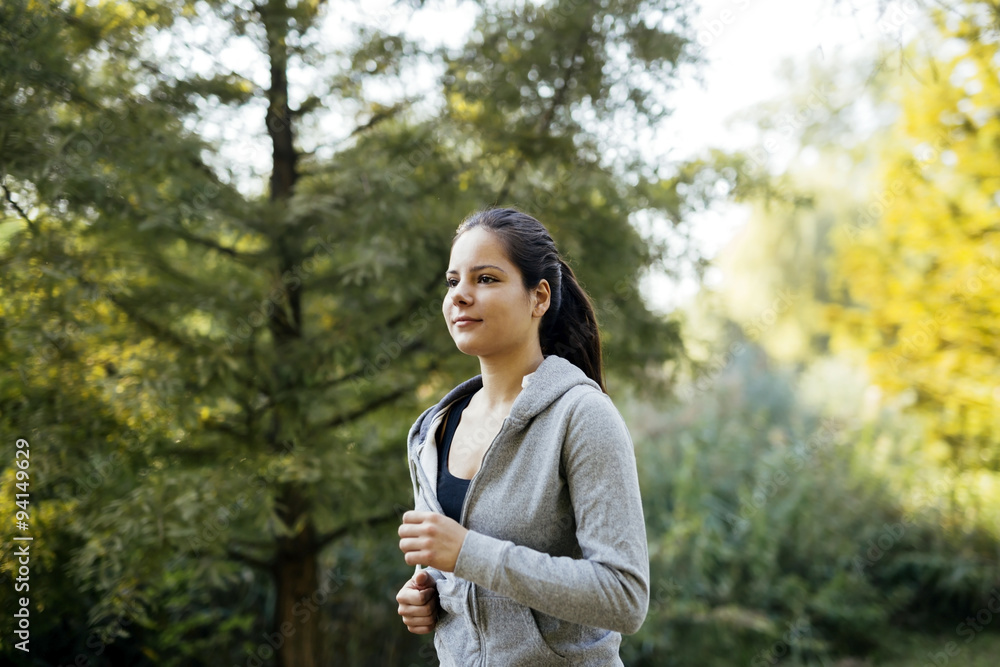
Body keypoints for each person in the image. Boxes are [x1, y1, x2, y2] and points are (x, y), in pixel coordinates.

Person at [395, 207, 649, 666]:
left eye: (486, 279)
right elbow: (460, 572)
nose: (460, 295)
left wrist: (468, 553)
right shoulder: (432, 430)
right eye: (453, 281)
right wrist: (431, 593)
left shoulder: (581, 415)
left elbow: (624, 597)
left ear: (539, 298)